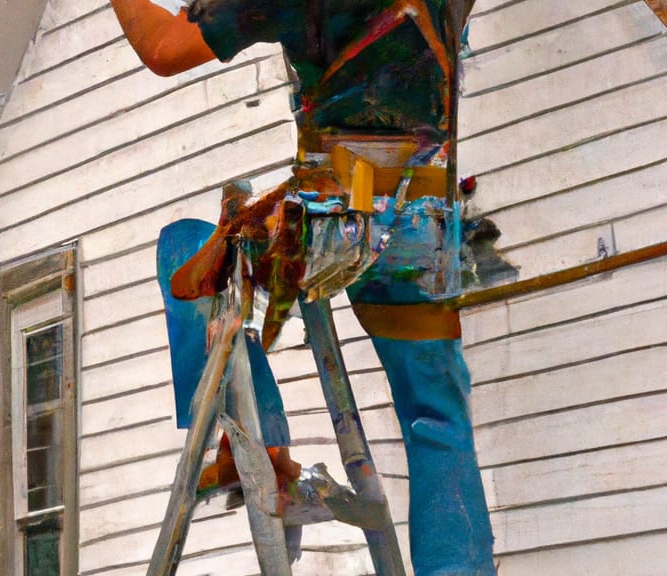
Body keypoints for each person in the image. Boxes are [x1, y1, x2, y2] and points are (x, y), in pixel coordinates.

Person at [111, 1, 496, 574]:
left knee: (184, 244)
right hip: (423, 225)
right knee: (435, 417)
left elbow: (164, 50)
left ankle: (261, 445)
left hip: (335, 227)